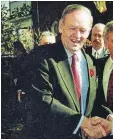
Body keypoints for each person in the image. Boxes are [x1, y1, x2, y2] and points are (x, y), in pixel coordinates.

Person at [27, 4, 105, 139]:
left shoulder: (90, 62)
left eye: (83, 30)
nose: (77, 35)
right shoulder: (42, 56)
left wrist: (109, 117)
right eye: (72, 28)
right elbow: (42, 99)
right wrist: (81, 122)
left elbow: (94, 101)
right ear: (61, 26)